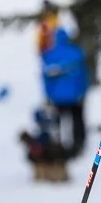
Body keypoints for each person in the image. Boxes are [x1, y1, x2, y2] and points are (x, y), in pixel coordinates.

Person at [40, 16, 89, 161]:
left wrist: (48, 95)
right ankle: (77, 146)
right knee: (77, 121)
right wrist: (83, 91)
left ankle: (58, 148)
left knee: (58, 124)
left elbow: (45, 78)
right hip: (75, 96)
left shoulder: (49, 55)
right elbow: (84, 75)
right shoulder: (76, 53)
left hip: (57, 97)